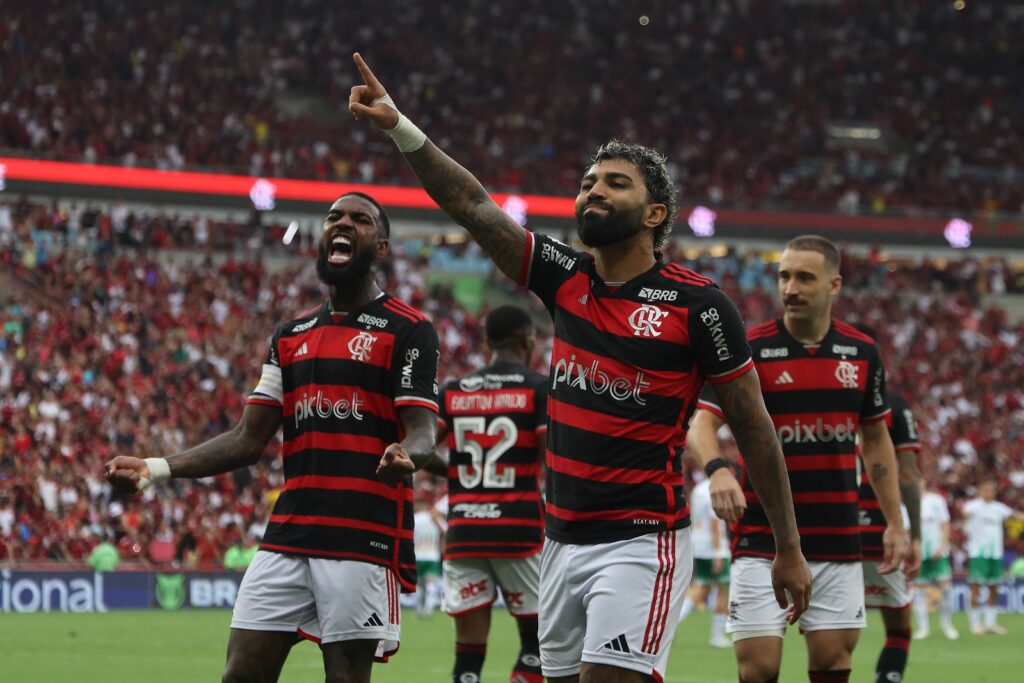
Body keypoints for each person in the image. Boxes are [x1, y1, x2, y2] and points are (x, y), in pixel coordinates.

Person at [349, 53, 811, 683]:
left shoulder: (699, 305)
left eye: (615, 182)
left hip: (641, 540)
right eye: (589, 180)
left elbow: (753, 426)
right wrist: (402, 127)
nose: (594, 189)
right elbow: (474, 206)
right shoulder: (565, 278)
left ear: (655, 214)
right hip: (558, 540)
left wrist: (787, 546)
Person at [105, 192, 441, 683]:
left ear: (382, 247)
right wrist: (156, 468)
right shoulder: (290, 336)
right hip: (288, 535)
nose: (342, 223)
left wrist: (406, 454)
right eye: (333, 217)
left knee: (345, 679)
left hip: (360, 536)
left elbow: (424, 432)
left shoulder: (409, 329)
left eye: (359, 219)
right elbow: (247, 438)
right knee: (240, 675)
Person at [687, 235, 909, 683]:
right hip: (761, 536)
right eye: (785, 276)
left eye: (805, 277)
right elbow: (701, 423)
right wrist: (717, 470)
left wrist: (895, 522)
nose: (791, 288)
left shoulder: (862, 353)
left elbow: (876, 442)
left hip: (838, 536)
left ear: (834, 284)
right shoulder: (750, 348)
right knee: (759, 669)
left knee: (831, 665)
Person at [434, 304, 548, 683]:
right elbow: (555, 458)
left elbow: (419, 450)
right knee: (537, 647)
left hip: (464, 530)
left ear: (486, 342)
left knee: (467, 653)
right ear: (527, 341)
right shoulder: (537, 389)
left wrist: (457, 473)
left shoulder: (453, 391)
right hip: (518, 532)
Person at [850, 324, 923, 683]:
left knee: (834, 631)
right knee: (899, 628)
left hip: (833, 532)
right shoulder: (894, 407)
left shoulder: (822, 398)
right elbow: (908, 476)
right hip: (882, 533)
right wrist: (916, 534)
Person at [962, 478, 1024, 635]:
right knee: (976, 587)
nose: (989, 492)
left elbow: (1016, 515)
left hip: (995, 554)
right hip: (978, 553)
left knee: (994, 588)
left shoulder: (999, 508)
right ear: (980, 490)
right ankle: (975, 624)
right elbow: (964, 513)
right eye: (986, 489)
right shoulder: (973, 506)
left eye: (992, 490)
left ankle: (990, 623)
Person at [677, 476, 732, 649]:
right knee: (724, 589)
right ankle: (717, 636)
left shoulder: (698, 489)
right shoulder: (716, 489)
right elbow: (715, 523)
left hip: (698, 544)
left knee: (703, 588)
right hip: (713, 547)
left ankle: (668, 627)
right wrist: (717, 552)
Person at [912, 480, 958, 640]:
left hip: (938, 551)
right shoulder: (906, 503)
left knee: (946, 588)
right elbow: (905, 529)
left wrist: (942, 545)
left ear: (924, 482)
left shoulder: (936, 500)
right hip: (919, 552)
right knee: (918, 590)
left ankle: (947, 625)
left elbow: (945, 524)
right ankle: (923, 628)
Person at [412, 499, 444, 619]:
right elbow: (445, 530)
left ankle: (419, 611)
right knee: (431, 584)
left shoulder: (414, 518)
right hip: (432, 555)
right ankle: (428, 610)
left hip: (417, 555)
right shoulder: (434, 518)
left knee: (419, 585)